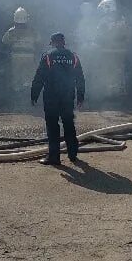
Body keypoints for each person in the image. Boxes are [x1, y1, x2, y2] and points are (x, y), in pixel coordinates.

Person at [30, 31, 86, 166]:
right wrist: (80, 97)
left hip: (51, 96)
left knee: (52, 126)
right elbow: (80, 79)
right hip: (68, 95)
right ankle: (73, 154)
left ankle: (54, 157)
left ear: (53, 43)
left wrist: (34, 95)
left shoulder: (48, 56)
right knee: (68, 123)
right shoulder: (74, 57)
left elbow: (39, 78)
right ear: (64, 42)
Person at [1, 6, 37, 105]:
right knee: (29, 78)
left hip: (16, 56)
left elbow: (4, 41)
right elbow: (39, 40)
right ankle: (29, 99)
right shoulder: (32, 31)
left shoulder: (11, 31)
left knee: (16, 78)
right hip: (29, 56)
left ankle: (17, 99)